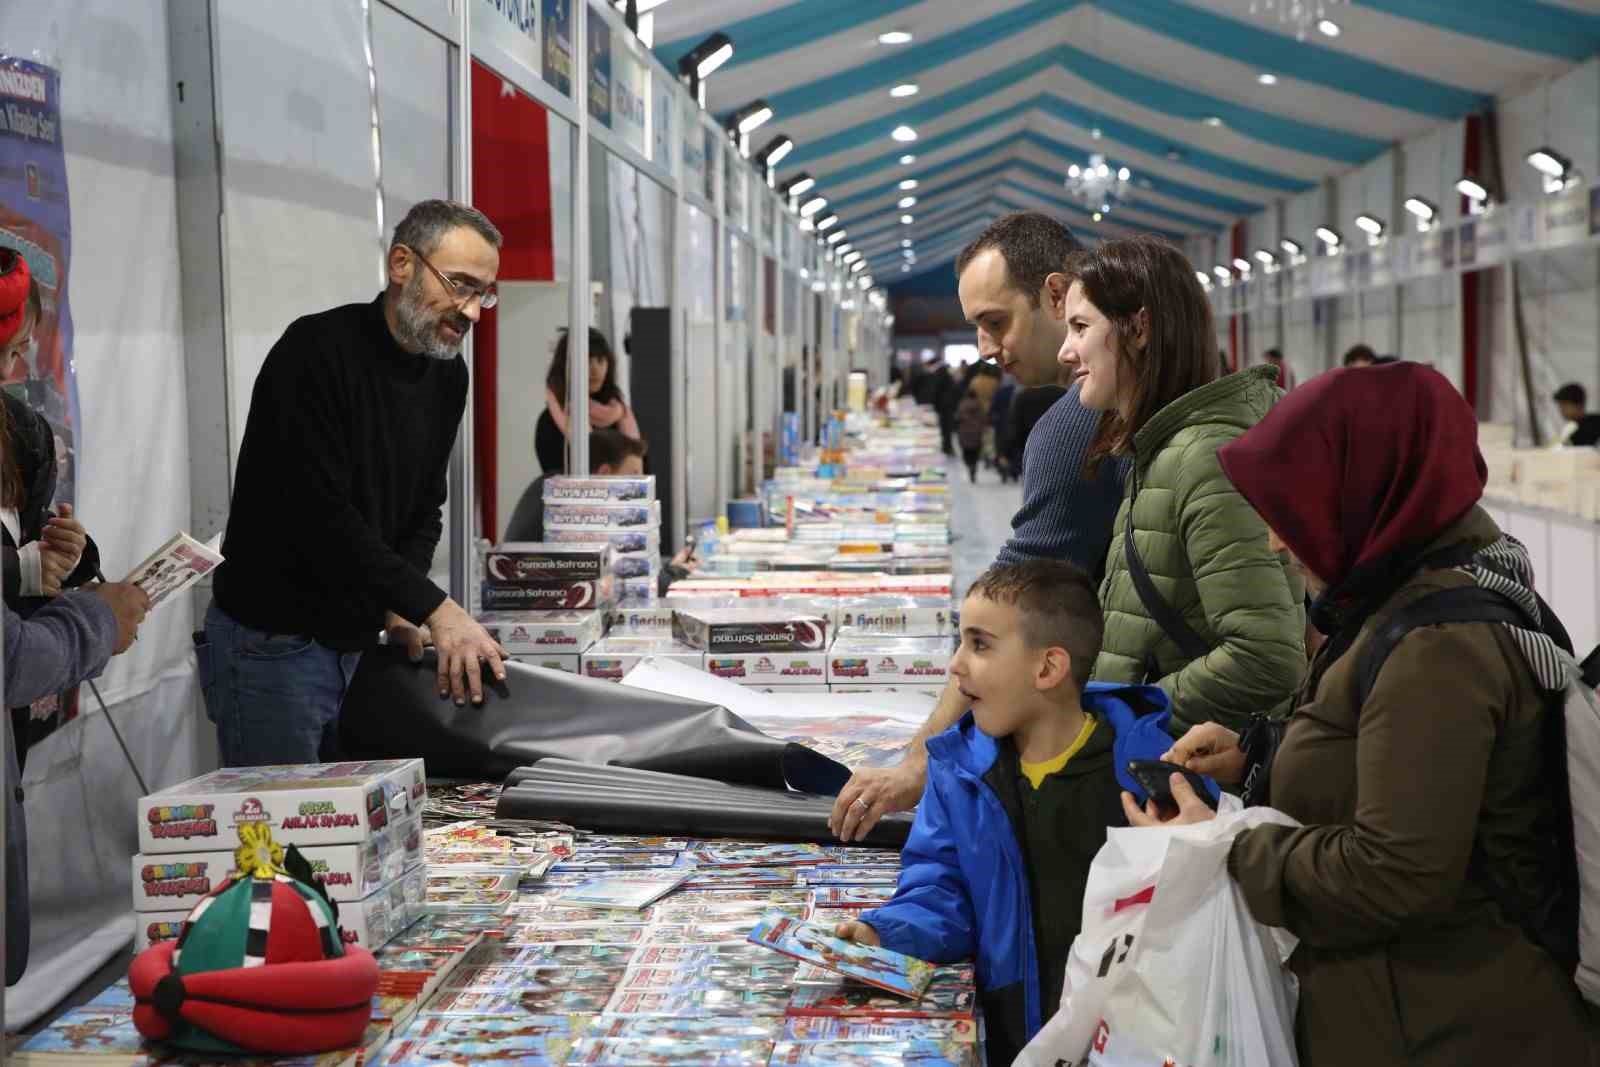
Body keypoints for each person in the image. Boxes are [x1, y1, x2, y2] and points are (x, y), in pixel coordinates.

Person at [1128, 361, 1594, 1066]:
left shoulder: (1438, 647)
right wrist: (1263, 753)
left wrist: (1224, 848)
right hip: (1417, 1014)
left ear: (1360, 491)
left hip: (1455, 1030)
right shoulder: (1407, 600)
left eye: (1291, 512)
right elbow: (1400, 764)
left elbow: (1393, 872)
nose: (1275, 542)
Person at [830, 212, 1128, 843]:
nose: (988, 349)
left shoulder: (1080, 424)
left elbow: (1008, 604)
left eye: (998, 322)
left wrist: (918, 763)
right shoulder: (1161, 407)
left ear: (1054, 293)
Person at [831, 561, 1188, 1065]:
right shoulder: (959, 773)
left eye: (980, 644)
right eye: (960, 642)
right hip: (1016, 1037)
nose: (955, 666)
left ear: (1047, 668)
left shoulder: (1150, 774)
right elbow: (941, 886)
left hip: (1133, 1042)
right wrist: (883, 933)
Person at [203, 199, 508, 768]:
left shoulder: (447, 373)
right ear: (401, 264)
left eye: (484, 294)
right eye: (460, 285)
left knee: (344, 837)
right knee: (283, 842)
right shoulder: (315, 353)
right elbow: (320, 517)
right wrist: (435, 608)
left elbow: (424, 506)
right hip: (274, 644)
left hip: (357, 642)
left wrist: (401, 606)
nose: (472, 312)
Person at [1059, 235, 1304, 733]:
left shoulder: (1201, 459)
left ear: (1140, 327)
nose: (1067, 350)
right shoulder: (1160, 450)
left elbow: (1267, 657)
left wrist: (1126, 713)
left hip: (1190, 774)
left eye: (1081, 327)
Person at [0, 253, 103, 763]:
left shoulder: (22, 433)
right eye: (12, 350)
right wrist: (24, 569)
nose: (12, 369)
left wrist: (71, 551)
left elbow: (36, 535)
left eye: (21, 351)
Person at [535, 328, 639, 475]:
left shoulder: (621, 416)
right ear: (567, 366)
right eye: (587, 361)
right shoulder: (551, 421)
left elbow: (641, 468)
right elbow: (554, 479)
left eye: (601, 360)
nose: (595, 370)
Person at [955, 387, 987, 483]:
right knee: (975, 452)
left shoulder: (962, 405)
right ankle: (973, 465)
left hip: (964, 433)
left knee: (966, 452)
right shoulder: (979, 405)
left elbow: (957, 417)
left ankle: (969, 465)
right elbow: (983, 418)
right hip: (976, 433)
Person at [1554, 382, 1600, 447]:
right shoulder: (1569, 428)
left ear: (1578, 405)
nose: (1561, 410)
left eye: (1564, 405)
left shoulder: (1595, 424)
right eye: (1560, 406)